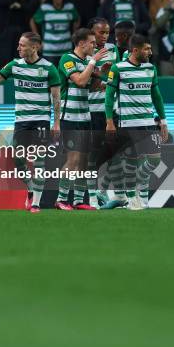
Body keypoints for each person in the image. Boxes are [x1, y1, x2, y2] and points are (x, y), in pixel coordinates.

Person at [0, 31, 61, 213]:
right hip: (21, 121)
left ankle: (36, 204)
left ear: (35, 47)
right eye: (19, 44)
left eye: (22, 45)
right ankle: (31, 189)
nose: (18, 48)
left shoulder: (49, 68)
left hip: (40, 120)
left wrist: (56, 123)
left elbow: (56, 98)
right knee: (18, 159)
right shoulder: (14, 65)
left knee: (40, 160)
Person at [105, 34, 168, 210]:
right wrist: (109, 121)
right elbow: (109, 96)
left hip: (148, 122)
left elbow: (156, 96)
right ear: (135, 50)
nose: (150, 52)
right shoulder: (118, 69)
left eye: (150, 48)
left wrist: (163, 120)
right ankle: (133, 199)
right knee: (131, 162)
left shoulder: (151, 68)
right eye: (147, 49)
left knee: (155, 160)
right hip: (128, 124)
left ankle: (138, 189)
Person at [55, 28, 109, 211]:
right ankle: (61, 199)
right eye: (92, 42)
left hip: (86, 116)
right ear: (81, 43)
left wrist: (104, 76)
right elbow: (79, 81)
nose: (95, 45)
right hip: (70, 116)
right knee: (74, 160)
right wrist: (93, 62)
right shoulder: (67, 59)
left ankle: (78, 200)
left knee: (84, 161)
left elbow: (91, 86)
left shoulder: (86, 61)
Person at [86, 17, 120, 208]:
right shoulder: (85, 52)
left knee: (117, 151)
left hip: (110, 109)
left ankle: (102, 190)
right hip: (92, 110)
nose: (105, 36)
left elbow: (114, 78)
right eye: (101, 32)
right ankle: (91, 196)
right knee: (93, 155)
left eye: (107, 32)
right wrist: (100, 76)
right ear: (91, 31)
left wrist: (107, 76)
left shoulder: (113, 50)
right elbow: (85, 84)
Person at [31, 0, 79, 66]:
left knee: (66, 76)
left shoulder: (69, 7)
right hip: (48, 50)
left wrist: (75, 32)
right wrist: (37, 39)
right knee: (50, 76)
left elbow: (77, 19)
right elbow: (32, 21)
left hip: (66, 49)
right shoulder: (45, 8)